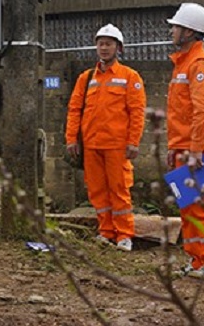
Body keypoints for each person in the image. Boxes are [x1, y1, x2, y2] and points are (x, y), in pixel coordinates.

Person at [66, 24, 146, 252]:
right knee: (97, 191)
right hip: (91, 145)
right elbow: (74, 110)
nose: (104, 48)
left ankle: (124, 235)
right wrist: (72, 138)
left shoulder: (130, 77)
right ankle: (106, 231)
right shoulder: (86, 78)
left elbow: (137, 112)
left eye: (109, 44)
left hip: (117, 146)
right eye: (101, 43)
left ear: (118, 48)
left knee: (119, 190)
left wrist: (133, 142)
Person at [166, 3, 204, 280]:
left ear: (189, 31)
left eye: (176, 27)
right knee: (189, 208)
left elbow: (203, 112)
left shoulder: (200, 65)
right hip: (185, 149)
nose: (172, 30)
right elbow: (181, 112)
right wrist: (174, 147)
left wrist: (196, 150)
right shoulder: (184, 64)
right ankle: (197, 260)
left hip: (199, 152)